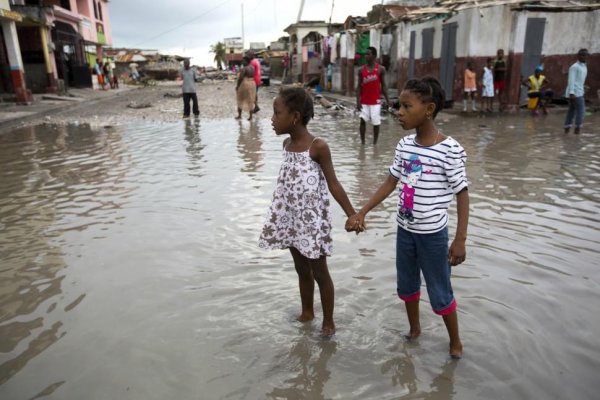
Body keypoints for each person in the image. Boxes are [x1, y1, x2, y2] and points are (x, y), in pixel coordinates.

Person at [346, 76, 469, 359]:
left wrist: (460, 239)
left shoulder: (448, 150)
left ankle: (456, 342)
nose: (398, 112)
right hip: (405, 231)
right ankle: (414, 330)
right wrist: (362, 211)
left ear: (428, 109)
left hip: (434, 236)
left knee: (440, 291)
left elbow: (462, 194)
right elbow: (391, 182)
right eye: (399, 106)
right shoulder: (404, 145)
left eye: (406, 106)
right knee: (407, 285)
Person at [258, 87, 357, 337]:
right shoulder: (286, 144)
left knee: (320, 272)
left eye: (276, 113)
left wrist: (352, 214)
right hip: (291, 219)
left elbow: (334, 183)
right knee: (301, 269)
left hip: (311, 222)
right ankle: (307, 313)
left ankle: (329, 322)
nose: (272, 119)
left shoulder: (318, 147)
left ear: (295, 116)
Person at [356, 46, 391, 145]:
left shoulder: (380, 69)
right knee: (362, 121)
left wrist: (388, 100)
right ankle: (363, 143)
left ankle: (375, 144)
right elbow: (358, 87)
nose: (366, 56)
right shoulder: (361, 70)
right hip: (364, 101)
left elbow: (384, 86)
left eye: (368, 54)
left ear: (374, 56)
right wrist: (357, 101)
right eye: (365, 54)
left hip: (375, 102)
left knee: (376, 123)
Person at [564, 48, 589, 134]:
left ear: (587, 56)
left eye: (585, 55)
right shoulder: (574, 67)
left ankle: (567, 129)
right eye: (581, 55)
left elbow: (579, 80)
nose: (583, 57)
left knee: (572, 110)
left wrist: (583, 87)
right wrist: (571, 93)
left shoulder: (584, 66)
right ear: (578, 56)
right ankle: (577, 129)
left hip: (580, 91)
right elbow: (571, 80)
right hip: (575, 93)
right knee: (581, 111)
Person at [235, 56, 256, 121]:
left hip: (245, 83)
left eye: (243, 61)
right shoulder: (252, 68)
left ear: (247, 61)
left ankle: (239, 115)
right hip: (252, 83)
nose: (242, 62)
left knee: (240, 99)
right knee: (251, 99)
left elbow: (240, 78)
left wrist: (237, 86)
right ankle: (251, 116)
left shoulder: (244, 69)